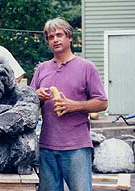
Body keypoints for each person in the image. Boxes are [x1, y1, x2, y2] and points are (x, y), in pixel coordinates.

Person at [30, 17, 108, 191]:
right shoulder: (42, 69)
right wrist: (36, 96)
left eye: (59, 35)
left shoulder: (87, 67)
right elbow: (27, 103)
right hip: (46, 145)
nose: (55, 39)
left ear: (70, 37)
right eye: (51, 37)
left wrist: (74, 105)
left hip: (77, 146)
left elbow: (102, 103)